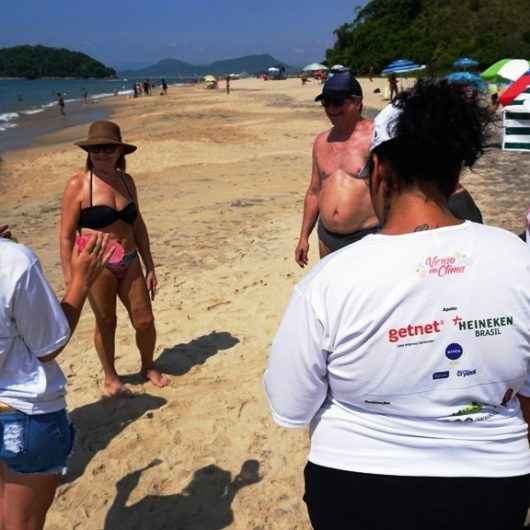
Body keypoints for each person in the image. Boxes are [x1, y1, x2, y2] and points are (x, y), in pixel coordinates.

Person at [265, 79, 530, 530]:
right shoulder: (518, 258)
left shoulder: (329, 281)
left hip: (356, 486)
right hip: (492, 484)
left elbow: (291, 404)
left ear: (379, 173)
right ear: (455, 174)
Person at [0, 232, 110, 530]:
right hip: (23, 413)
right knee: (22, 522)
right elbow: (49, 346)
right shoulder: (13, 260)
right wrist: (80, 281)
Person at [60, 121, 169, 397]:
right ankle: (111, 377)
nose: (102, 153)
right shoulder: (78, 184)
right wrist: (70, 276)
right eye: (96, 148)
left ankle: (148, 365)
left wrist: (150, 265)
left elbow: (138, 225)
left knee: (144, 319)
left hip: (130, 258)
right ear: (89, 151)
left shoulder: (126, 181)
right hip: (97, 264)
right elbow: (66, 236)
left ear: (120, 151)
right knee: (106, 321)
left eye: (109, 148)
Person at [294, 71, 378, 267]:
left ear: (357, 102)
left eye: (338, 103)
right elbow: (314, 192)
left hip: (368, 238)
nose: (331, 109)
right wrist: (303, 237)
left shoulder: (376, 137)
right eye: (326, 103)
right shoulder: (322, 141)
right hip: (327, 239)